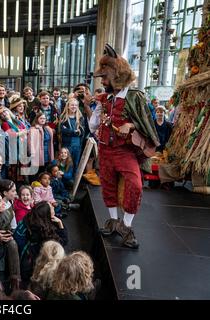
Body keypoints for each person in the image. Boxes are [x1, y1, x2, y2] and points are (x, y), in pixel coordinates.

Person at [91, 44, 160, 249]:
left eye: (105, 77)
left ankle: (126, 225)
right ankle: (112, 221)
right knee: (108, 186)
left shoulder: (134, 96)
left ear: (116, 75)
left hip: (124, 151)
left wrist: (130, 124)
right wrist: (95, 110)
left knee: (135, 185)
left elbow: (147, 122)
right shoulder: (105, 98)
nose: (102, 81)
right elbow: (93, 125)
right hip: (105, 150)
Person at [59, 97, 85, 175]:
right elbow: (62, 131)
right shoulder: (63, 118)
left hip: (77, 145)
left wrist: (69, 131)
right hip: (67, 145)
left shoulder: (80, 118)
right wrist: (74, 132)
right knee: (67, 163)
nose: (74, 107)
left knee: (76, 164)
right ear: (68, 106)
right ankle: (66, 180)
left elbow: (82, 131)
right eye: (72, 105)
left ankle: (74, 182)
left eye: (75, 105)